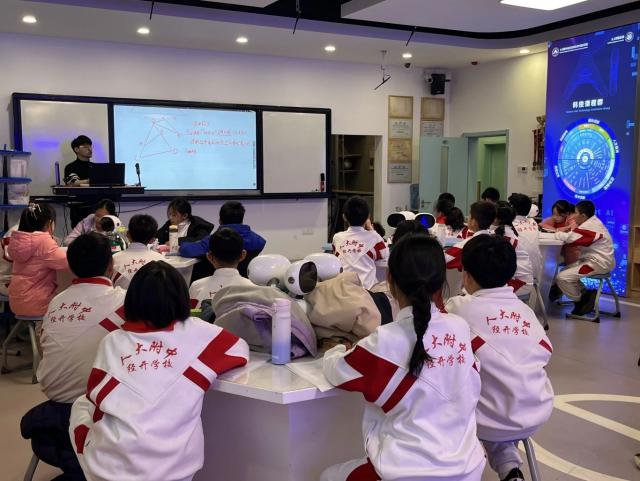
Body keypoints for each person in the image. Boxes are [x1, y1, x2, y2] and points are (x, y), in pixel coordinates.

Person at [321, 234, 485, 481]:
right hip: (468, 468)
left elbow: (336, 371)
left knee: (328, 475)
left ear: (389, 280)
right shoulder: (460, 328)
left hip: (403, 472)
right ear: (441, 283)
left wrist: (336, 349)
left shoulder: (384, 341)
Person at [69, 261, 249, 481]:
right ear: (182, 298)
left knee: (80, 406)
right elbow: (239, 349)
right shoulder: (201, 334)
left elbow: (95, 399)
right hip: (176, 471)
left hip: (107, 471)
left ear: (132, 300)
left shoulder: (112, 341)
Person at [446, 235, 553, 481]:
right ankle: (509, 468)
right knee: (494, 389)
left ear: (466, 276)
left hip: (489, 420)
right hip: (536, 411)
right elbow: (546, 352)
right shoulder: (526, 312)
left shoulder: (459, 307)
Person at [39, 232, 126, 403]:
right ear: (111, 265)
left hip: (53, 394)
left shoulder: (57, 302)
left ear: (71, 267)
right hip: (96, 401)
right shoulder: (122, 301)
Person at [554, 200, 615, 315]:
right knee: (564, 271)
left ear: (583, 215)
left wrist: (556, 233)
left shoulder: (589, 226)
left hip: (597, 263)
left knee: (562, 277)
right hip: (596, 260)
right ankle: (586, 294)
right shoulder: (593, 222)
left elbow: (570, 238)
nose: (573, 216)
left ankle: (581, 301)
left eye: (575, 213)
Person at [8, 203, 68, 319]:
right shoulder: (44, 241)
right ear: (49, 223)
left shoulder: (17, 240)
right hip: (38, 304)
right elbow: (65, 262)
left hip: (16, 303)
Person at [179, 201, 267, 278]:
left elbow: (186, 250)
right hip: (245, 284)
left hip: (215, 285)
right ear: (241, 220)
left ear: (220, 221)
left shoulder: (214, 240)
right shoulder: (258, 241)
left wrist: (181, 242)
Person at [332, 196, 389, 290]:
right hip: (367, 293)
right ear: (368, 217)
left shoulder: (337, 238)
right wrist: (371, 229)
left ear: (344, 217)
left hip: (342, 291)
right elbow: (385, 255)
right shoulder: (375, 238)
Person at [189, 228, 253, 308]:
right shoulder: (253, 288)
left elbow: (192, 314)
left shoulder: (196, 287)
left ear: (209, 256)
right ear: (243, 255)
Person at [112, 214, 164, 289]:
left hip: (122, 296)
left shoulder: (114, 259)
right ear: (152, 240)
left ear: (127, 234)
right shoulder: (160, 260)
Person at [493, 201, 534, 294]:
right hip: (516, 277)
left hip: (520, 282)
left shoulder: (506, 237)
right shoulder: (507, 231)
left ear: (497, 219)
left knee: (482, 288)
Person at [445, 201, 497, 270]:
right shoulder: (494, 241)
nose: (467, 218)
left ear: (473, 221)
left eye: (470, 215)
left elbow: (443, 260)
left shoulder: (467, 245)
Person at [508, 193, 543, 282]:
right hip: (536, 271)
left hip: (519, 275)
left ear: (512, 207)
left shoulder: (509, 224)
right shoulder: (533, 222)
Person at [64, 135, 97, 227]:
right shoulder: (70, 167)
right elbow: (73, 182)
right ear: (76, 149)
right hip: (78, 208)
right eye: (86, 147)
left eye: (90, 146)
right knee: (79, 234)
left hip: (96, 206)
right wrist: (91, 181)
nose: (90, 149)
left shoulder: (96, 167)